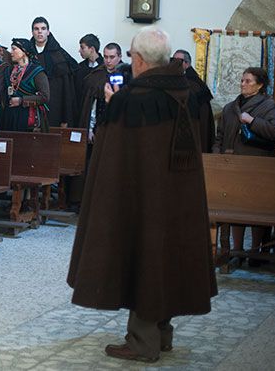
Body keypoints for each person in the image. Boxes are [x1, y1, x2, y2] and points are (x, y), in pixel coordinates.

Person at [67, 27, 217, 363]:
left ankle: (142, 342)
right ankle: (161, 334)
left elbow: (116, 154)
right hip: (179, 196)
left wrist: (112, 105)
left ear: (139, 61)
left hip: (144, 196)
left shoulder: (134, 100)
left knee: (145, 256)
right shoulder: (188, 92)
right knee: (165, 258)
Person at [212, 67, 275, 265]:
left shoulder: (268, 105)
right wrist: (218, 156)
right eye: (242, 80)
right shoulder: (230, 107)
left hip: (255, 167)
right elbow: (220, 136)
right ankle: (237, 250)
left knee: (256, 210)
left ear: (260, 85)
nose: (243, 84)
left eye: (248, 81)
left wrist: (252, 121)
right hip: (231, 166)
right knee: (235, 210)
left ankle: (255, 252)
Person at [78, 43, 131, 142]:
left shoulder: (127, 76)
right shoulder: (95, 75)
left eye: (112, 57)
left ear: (119, 57)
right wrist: (89, 129)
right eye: (105, 57)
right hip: (99, 126)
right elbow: (91, 106)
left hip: (119, 125)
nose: (108, 61)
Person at [30, 17, 78, 127]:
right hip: (30, 106)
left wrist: (65, 117)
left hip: (54, 106)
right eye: (36, 29)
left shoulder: (59, 55)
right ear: (32, 32)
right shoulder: (27, 53)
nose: (40, 32)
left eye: (43, 28)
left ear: (48, 32)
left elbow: (66, 89)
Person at [0, 38, 50, 132]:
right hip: (10, 116)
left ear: (24, 51)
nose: (11, 52)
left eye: (14, 49)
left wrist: (21, 100)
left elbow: (45, 97)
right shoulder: (9, 71)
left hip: (28, 117)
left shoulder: (37, 72)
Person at [173, 49, 215, 152]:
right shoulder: (184, 81)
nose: (173, 64)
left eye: (177, 61)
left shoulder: (191, 84)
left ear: (186, 64)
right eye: (172, 61)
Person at [74, 34, 101, 125]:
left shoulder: (104, 67)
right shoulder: (80, 68)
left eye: (82, 48)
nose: (79, 50)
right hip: (81, 113)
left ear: (92, 49)